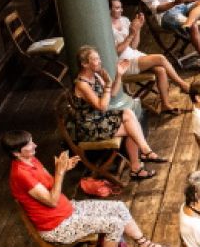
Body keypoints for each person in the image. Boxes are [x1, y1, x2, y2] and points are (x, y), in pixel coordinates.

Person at [3, 130, 168, 247]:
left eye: (32, 142)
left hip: (68, 209)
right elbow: (51, 201)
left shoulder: (31, 159)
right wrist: (59, 173)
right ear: (16, 153)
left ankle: (144, 244)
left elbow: (50, 186)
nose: (35, 145)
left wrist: (63, 169)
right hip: (58, 225)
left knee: (118, 207)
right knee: (114, 223)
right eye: (29, 145)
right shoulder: (21, 174)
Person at [69, 45, 165, 180]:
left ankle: (142, 156)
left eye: (98, 58)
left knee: (128, 114)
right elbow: (102, 106)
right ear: (85, 64)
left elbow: (112, 93)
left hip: (100, 119)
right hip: (89, 126)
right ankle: (140, 162)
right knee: (131, 127)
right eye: (95, 59)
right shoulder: (82, 84)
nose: (100, 61)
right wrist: (107, 84)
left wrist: (119, 75)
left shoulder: (95, 75)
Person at [110, 0, 191, 115]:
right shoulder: (108, 28)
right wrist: (131, 34)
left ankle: (165, 105)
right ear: (108, 10)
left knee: (160, 70)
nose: (121, 10)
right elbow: (115, 52)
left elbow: (134, 46)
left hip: (134, 55)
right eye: (117, 8)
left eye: (121, 7)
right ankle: (182, 85)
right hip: (123, 63)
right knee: (160, 58)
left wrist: (138, 29)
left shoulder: (125, 20)